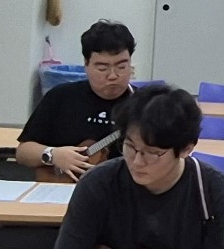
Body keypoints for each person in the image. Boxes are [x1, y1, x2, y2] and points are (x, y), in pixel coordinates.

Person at [48, 83, 224, 249]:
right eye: (130, 146)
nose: (137, 161)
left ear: (186, 149)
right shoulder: (98, 182)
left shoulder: (215, 189)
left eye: (152, 153)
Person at [17, 20, 136, 180]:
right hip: (65, 186)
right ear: (86, 64)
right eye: (102, 68)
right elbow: (23, 152)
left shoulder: (144, 105)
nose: (113, 75)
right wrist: (53, 154)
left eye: (121, 67)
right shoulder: (61, 97)